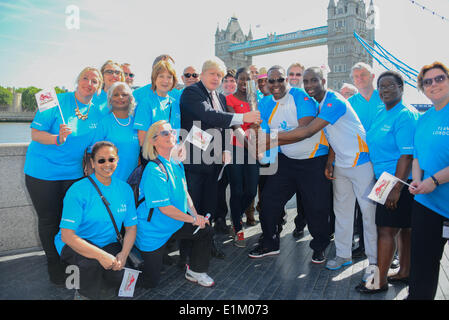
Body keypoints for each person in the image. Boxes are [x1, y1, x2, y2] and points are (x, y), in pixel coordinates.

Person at [258, 67, 377, 276]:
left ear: (323, 80)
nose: (310, 85)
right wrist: (331, 160)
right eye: (306, 82)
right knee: (342, 213)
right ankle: (343, 255)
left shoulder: (334, 100)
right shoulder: (320, 103)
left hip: (361, 162)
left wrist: (266, 142)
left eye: (314, 81)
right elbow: (331, 135)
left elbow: (308, 131)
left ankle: (374, 264)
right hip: (340, 164)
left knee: (368, 214)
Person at [24, 67, 105, 285]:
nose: (89, 83)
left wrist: (93, 169)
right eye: (85, 78)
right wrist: (57, 139)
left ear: (98, 88)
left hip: (73, 174)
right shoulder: (55, 101)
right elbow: (35, 133)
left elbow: (92, 149)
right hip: (42, 172)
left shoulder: (97, 113)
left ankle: (69, 258)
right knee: (49, 220)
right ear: (78, 81)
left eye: (94, 81)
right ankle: (54, 263)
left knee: (70, 221)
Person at [180, 59, 261, 260]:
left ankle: (206, 244)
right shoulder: (192, 93)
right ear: (202, 74)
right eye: (212, 74)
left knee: (209, 205)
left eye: (219, 75)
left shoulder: (220, 97)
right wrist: (245, 118)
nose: (215, 78)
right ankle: (186, 254)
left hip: (215, 162)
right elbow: (210, 116)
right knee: (193, 207)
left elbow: (224, 127)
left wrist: (225, 149)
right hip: (195, 162)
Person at [249, 65, 332, 261]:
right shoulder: (265, 103)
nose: (276, 84)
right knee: (268, 202)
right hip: (286, 161)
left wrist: (270, 139)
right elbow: (260, 134)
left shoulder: (300, 96)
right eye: (271, 81)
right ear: (266, 84)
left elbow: (304, 131)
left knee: (317, 208)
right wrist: (257, 135)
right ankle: (270, 243)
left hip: (313, 160)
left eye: (280, 79)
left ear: (286, 80)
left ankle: (319, 246)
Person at [356, 71, 419, 294]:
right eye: (381, 86)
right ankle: (405, 271)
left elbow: (407, 155)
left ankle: (379, 281)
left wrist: (396, 187)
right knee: (403, 229)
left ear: (401, 88)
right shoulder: (383, 111)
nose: (384, 90)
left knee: (385, 230)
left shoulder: (405, 115)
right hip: (384, 179)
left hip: (398, 180)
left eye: (390, 86)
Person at [135, 121, 215, 288]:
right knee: (151, 282)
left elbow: (185, 195)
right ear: (153, 141)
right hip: (154, 233)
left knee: (205, 230)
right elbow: (165, 208)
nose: (171, 134)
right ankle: (124, 266)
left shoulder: (176, 164)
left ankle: (196, 271)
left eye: (172, 131)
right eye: (165, 133)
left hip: (174, 225)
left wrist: (195, 215)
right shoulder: (154, 170)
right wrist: (192, 220)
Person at [53, 141, 137, 300]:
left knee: (120, 274)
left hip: (107, 242)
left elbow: (131, 228)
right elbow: (67, 236)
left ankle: (100, 279)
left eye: (111, 159)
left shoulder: (125, 189)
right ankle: (83, 294)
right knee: (91, 265)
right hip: (76, 242)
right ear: (92, 162)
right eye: (101, 160)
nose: (107, 164)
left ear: (117, 160)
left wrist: (124, 254)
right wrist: (101, 256)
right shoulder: (78, 190)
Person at [407, 61, 449, 300]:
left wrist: (434, 180)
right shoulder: (423, 119)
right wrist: (417, 180)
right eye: (428, 81)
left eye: (440, 78)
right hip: (427, 204)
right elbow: (417, 157)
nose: (434, 84)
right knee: (422, 265)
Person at [225, 67, 260, 247]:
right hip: (236, 148)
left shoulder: (257, 99)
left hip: (253, 148)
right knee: (237, 190)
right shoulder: (229, 99)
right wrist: (251, 146)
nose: (244, 83)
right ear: (236, 80)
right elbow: (235, 125)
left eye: (248, 79)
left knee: (251, 191)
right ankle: (237, 226)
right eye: (241, 79)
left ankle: (237, 215)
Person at [93, 82, 140, 181]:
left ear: (131, 98)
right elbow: (93, 155)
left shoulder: (137, 123)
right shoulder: (104, 123)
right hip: (108, 181)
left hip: (132, 182)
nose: (120, 97)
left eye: (124, 95)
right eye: (116, 95)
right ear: (110, 99)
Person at [133, 60, 181, 146]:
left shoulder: (176, 104)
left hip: (174, 156)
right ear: (154, 79)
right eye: (161, 76)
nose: (165, 81)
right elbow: (142, 140)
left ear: (173, 81)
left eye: (169, 77)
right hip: (153, 156)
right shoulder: (146, 103)